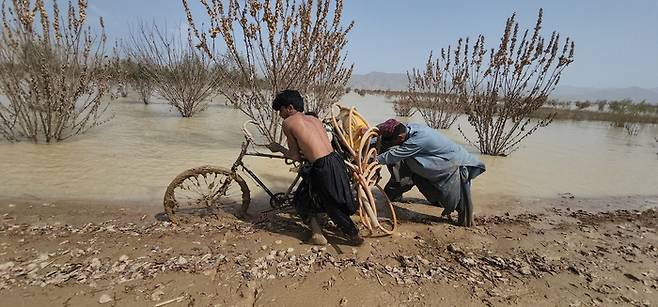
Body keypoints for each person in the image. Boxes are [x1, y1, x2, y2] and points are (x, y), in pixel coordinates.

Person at [267, 90, 363, 246]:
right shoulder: (313, 119)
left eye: (281, 110)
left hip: (321, 167)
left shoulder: (288, 123)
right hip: (335, 160)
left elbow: (294, 157)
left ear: (290, 108)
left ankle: (353, 235)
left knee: (326, 203)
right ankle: (319, 232)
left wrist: (278, 148)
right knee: (313, 197)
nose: (280, 114)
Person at [375, 119, 486, 226]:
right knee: (429, 184)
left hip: (456, 163)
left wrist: (373, 160)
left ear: (400, 137)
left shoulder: (418, 139)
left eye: (392, 141)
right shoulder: (408, 128)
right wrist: (372, 133)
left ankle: (464, 225)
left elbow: (394, 155)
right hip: (442, 162)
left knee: (459, 198)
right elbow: (385, 132)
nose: (389, 143)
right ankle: (438, 202)